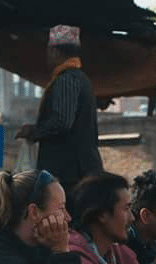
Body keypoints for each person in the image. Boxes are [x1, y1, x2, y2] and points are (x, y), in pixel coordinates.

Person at [16, 25, 103, 196]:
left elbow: (61, 122)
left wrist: (33, 132)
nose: (47, 56)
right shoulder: (80, 78)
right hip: (80, 171)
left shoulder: (67, 79)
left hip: (70, 174)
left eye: (49, 51)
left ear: (55, 52)